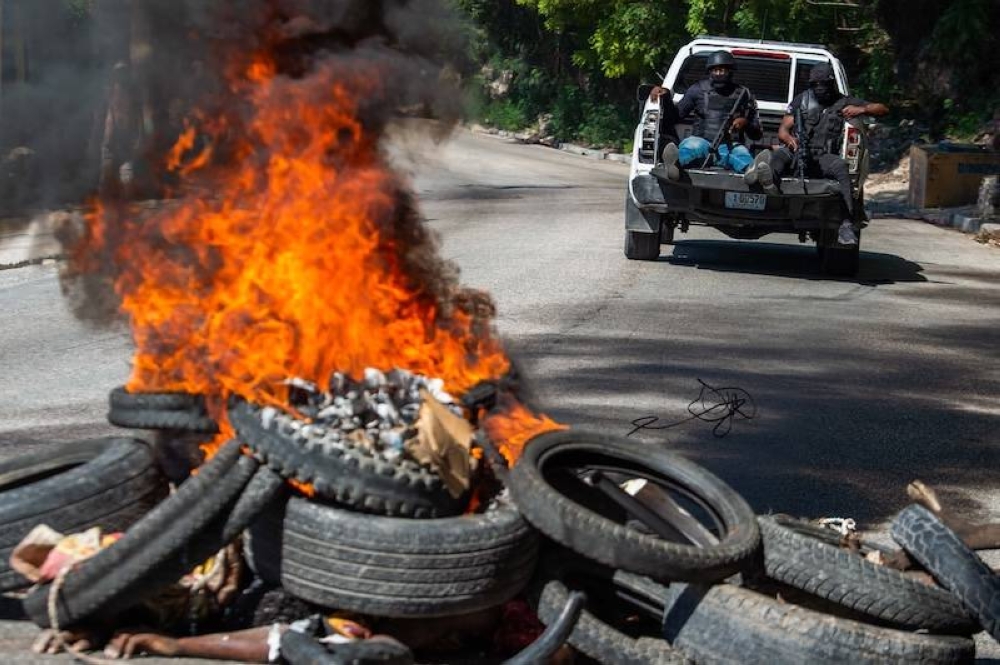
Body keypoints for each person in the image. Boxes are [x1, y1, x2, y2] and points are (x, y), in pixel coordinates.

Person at [767, 63, 889, 245]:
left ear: (831, 84)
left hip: (823, 156)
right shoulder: (802, 100)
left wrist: (861, 110)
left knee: (841, 167)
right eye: (815, 84)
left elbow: (882, 109)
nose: (819, 88)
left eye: (823, 84)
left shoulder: (844, 102)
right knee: (776, 158)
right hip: (798, 152)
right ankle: (768, 193)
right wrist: (790, 141)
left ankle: (847, 222)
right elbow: (783, 130)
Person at [651, 51, 764, 180]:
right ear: (709, 71)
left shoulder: (744, 94)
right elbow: (675, 117)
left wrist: (746, 124)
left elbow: (757, 134)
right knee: (691, 148)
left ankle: (754, 173)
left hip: (729, 146)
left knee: (742, 155)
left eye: (723, 71)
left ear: (731, 71)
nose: (719, 74)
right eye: (715, 70)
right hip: (701, 142)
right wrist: (665, 97)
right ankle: (673, 165)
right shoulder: (698, 89)